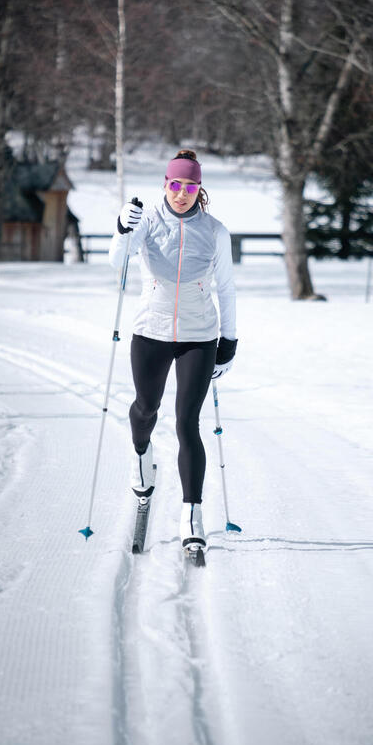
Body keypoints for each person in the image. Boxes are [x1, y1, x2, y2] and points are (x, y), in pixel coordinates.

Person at [109, 149, 237, 552]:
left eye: (191, 186)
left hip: (199, 336)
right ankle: (140, 456)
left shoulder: (215, 231)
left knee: (188, 424)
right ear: (165, 184)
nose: (182, 193)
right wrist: (120, 229)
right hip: (151, 331)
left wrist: (229, 340)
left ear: (200, 190)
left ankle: (192, 516)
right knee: (145, 408)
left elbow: (227, 288)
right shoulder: (146, 221)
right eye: (176, 185)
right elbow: (119, 261)